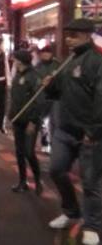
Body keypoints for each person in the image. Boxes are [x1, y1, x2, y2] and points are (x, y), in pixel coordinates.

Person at [44, 18, 102, 245]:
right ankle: (71, 211)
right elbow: (59, 93)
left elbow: (100, 99)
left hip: (90, 133)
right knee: (57, 170)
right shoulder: (68, 60)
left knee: (91, 183)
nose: (69, 38)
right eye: (68, 34)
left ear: (88, 35)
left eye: (74, 35)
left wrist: (94, 130)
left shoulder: (96, 61)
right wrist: (51, 84)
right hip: (64, 130)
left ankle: (92, 225)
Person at [8, 50, 43, 195]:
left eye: (15, 59)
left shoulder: (33, 76)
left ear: (21, 61)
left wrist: (33, 121)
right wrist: (11, 117)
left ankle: (38, 179)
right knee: (19, 152)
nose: (13, 61)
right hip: (18, 120)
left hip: (30, 121)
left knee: (29, 152)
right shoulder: (17, 75)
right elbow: (14, 98)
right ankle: (23, 181)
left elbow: (38, 101)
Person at [35, 45, 60, 154]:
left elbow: (62, 80)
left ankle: (54, 145)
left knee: (55, 123)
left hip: (56, 99)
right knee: (43, 123)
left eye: (48, 53)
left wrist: (54, 83)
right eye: (43, 53)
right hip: (42, 98)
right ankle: (45, 142)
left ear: (51, 54)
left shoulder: (58, 65)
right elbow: (35, 82)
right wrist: (40, 82)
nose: (45, 55)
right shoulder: (37, 67)